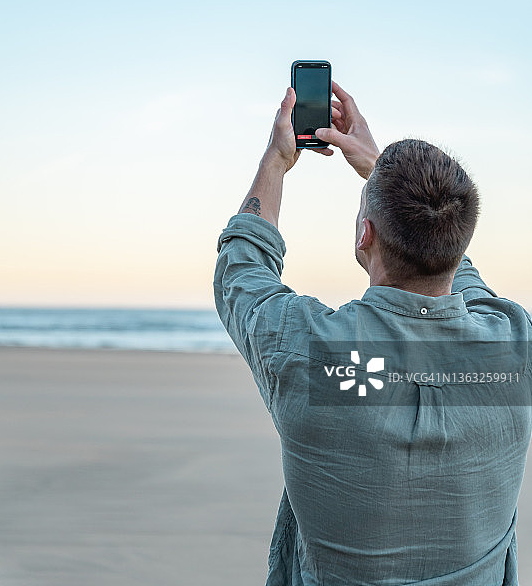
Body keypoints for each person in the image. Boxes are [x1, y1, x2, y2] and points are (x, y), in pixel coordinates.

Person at [213, 81, 532, 586]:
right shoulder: (513, 349)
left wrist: (276, 162)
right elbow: (452, 266)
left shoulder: (313, 354)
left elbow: (242, 268)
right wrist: (379, 174)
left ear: (365, 235)